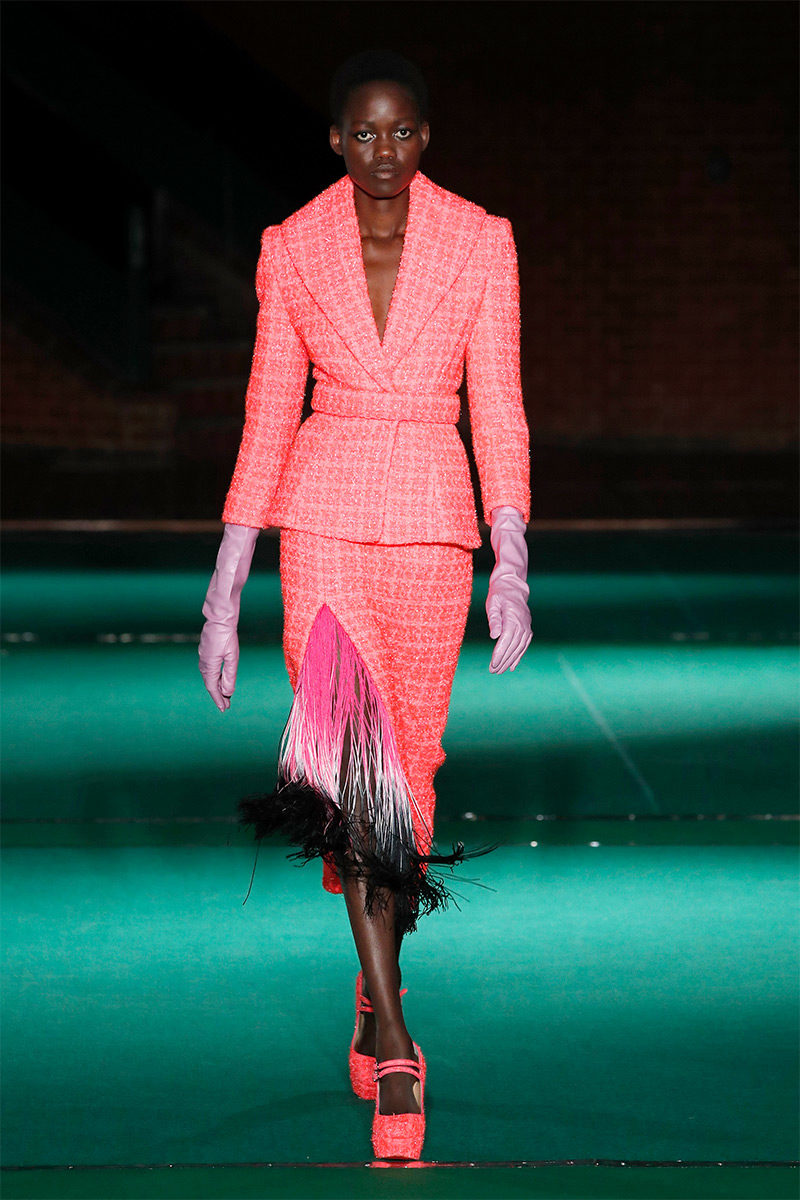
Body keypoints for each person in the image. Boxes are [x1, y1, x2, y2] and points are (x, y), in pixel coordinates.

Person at [198, 49, 532, 1160]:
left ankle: (370, 973)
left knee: (412, 779)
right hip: (326, 516)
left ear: (422, 139)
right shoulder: (291, 247)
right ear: (335, 140)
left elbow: (498, 404)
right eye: (363, 134)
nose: (383, 152)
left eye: (401, 133)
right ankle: (393, 1039)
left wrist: (512, 556)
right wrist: (229, 573)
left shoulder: (480, 241)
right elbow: (262, 410)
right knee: (351, 775)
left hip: (434, 529)